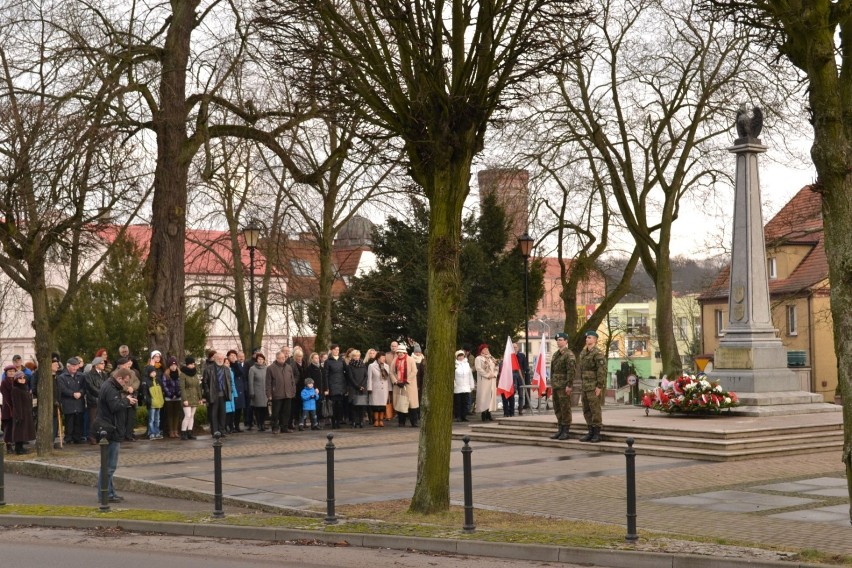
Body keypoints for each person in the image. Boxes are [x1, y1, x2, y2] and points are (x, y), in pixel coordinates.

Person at [93, 367, 137, 503]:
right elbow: (114, 407)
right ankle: (104, 494)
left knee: (108, 466)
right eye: (125, 382)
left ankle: (109, 493)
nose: (126, 385)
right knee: (109, 466)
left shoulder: (110, 386)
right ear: (119, 378)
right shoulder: (111, 388)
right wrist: (127, 401)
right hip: (111, 430)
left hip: (110, 428)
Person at [577, 329, 607, 443]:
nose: (587, 339)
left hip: (593, 386)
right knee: (586, 409)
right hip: (585, 386)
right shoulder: (583, 353)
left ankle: (597, 432)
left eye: (589, 337)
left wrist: (599, 386)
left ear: (595, 340)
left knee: (595, 409)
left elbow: (601, 370)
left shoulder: (598, 353)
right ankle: (590, 430)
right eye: (586, 337)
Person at [549, 332, 577, 440]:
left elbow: (571, 371)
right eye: (557, 340)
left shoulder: (569, 354)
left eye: (561, 340)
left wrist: (569, 385)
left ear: (566, 341)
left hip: (564, 386)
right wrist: (552, 383)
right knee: (557, 408)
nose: (558, 341)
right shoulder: (556, 354)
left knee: (565, 408)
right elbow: (552, 371)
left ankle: (566, 430)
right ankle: (560, 429)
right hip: (556, 385)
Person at [202, 351, 231, 437]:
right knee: (213, 414)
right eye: (218, 358)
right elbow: (205, 383)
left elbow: (229, 381)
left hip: (223, 394)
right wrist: (207, 393)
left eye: (221, 358)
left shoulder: (226, 369)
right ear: (214, 359)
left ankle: (222, 430)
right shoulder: (208, 369)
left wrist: (230, 391)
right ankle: (215, 431)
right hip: (213, 395)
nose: (220, 360)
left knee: (222, 414)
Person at [266, 350, 295, 433]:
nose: (283, 359)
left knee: (286, 412)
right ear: (277, 358)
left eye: (284, 358)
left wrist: (293, 391)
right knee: (276, 412)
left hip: (288, 393)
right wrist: (269, 394)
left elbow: (292, 380)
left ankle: (284, 427)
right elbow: (268, 383)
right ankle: (275, 427)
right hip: (277, 394)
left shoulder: (288, 367)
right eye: (281, 358)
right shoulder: (270, 368)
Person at [57, 357, 85, 444]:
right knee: (69, 421)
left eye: (76, 366)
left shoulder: (81, 376)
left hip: (79, 401)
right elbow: (63, 389)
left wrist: (81, 393)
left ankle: (77, 437)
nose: (75, 368)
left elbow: (84, 387)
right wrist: (72, 394)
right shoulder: (62, 377)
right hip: (68, 402)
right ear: (68, 367)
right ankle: (68, 438)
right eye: (73, 366)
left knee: (78, 420)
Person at [389, 344, 419, 427]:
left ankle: (414, 422)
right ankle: (401, 422)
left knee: (412, 404)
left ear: (405, 352)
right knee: (400, 403)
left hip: (409, 385)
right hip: (398, 386)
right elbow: (391, 372)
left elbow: (414, 371)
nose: (400, 354)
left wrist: (406, 381)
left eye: (401, 352)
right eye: (398, 352)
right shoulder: (395, 360)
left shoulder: (411, 360)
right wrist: (396, 381)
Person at [83, 357, 108, 445]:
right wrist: (101, 394)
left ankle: (100, 436)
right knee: (93, 420)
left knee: (102, 420)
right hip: (94, 400)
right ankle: (92, 437)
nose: (103, 365)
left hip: (103, 400)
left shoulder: (104, 374)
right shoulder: (89, 375)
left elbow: (107, 385)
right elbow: (91, 387)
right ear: (96, 365)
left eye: (104, 363)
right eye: (101, 363)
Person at [322, 344, 348, 429]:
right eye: (335, 349)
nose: (337, 351)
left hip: (341, 385)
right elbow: (325, 375)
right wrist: (326, 388)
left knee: (340, 405)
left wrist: (346, 386)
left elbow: (346, 372)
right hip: (332, 386)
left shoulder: (341, 360)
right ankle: (333, 422)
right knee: (333, 405)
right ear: (332, 350)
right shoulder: (328, 361)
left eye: (338, 349)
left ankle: (338, 421)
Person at [10, 371, 35, 454]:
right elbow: (17, 403)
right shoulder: (15, 389)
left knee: (23, 431)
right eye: (20, 378)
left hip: (26, 412)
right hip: (20, 413)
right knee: (19, 431)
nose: (22, 379)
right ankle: (18, 449)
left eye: (23, 377)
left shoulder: (24, 387)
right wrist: (19, 416)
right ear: (16, 379)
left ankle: (21, 447)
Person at [179, 356, 202, 440]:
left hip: (195, 396)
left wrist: (200, 398)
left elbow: (198, 386)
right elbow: (182, 388)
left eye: (193, 364)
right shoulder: (183, 374)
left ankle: (190, 432)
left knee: (192, 415)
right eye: (191, 364)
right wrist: (184, 399)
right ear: (187, 364)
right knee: (187, 415)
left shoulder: (195, 374)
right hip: (187, 397)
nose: (193, 365)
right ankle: (183, 432)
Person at [474, 344, 497, 422]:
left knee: (490, 396)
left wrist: (494, 374)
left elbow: (496, 367)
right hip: (484, 380)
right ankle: (483, 413)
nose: (486, 350)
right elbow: (478, 368)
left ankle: (489, 413)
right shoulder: (478, 358)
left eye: (487, 349)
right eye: (484, 349)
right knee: (484, 396)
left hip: (492, 380)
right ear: (481, 350)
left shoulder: (491, 358)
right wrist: (487, 375)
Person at [367, 351, 390, 427]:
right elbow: (369, 378)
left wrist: (389, 389)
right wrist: (369, 388)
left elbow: (388, 379)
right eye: (382, 357)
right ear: (378, 358)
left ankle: (381, 420)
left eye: (384, 357)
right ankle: (376, 420)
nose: (384, 359)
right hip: (375, 388)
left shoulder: (386, 366)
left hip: (384, 388)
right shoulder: (371, 366)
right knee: (376, 406)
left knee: (383, 406)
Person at [346, 349, 369, 428]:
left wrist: (362, 386)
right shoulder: (349, 366)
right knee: (354, 406)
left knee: (361, 406)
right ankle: (354, 422)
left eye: (358, 356)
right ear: (352, 356)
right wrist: (358, 386)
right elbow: (350, 378)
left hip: (363, 388)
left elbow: (366, 376)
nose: (357, 357)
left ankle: (361, 421)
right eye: (355, 356)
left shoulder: (363, 365)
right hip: (354, 388)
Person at [247, 353, 269, 431]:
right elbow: (250, 382)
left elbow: (268, 380)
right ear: (256, 360)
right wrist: (252, 392)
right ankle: (259, 424)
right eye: (259, 359)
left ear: (264, 360)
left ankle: (263, 423)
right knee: (258, 409)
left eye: (262, 359)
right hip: (257, 392)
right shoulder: (252, 369)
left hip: (265, 392)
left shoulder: (266, 368)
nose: (260, 360)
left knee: (264, 409)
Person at [162, 357, 183, 438]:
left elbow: (181, 385)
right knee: (170, 415)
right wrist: (170, 394)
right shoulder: (166, 374)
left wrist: (178, 393)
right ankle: (171, 431)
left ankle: (175, 430)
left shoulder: (180, 374)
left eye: (175, 365)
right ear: (169, 366)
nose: (173, 367)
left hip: (178, 397)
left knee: (176, 414)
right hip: (169, 397)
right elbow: (164, 385)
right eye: (172, 365)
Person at [453, 350, 474, 422]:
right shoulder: (455, 365)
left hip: (466, 386)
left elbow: (470, 375)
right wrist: (454, 384)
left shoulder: (467, 364)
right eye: (459, 356)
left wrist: (471, 385)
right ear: (457, 357)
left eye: (462, 355)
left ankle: (464, 416)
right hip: (458, 387)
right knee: (458, 403)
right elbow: (452, 376)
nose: (461, 357)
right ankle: (458, 416)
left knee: (465, 402)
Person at [1, 365, 15, 453]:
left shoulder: (16, 381)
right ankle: (8, 446)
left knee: (13, 427)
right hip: (8, 408)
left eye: (13, 371)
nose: (11, 373)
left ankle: (14, 444)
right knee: (8, 428)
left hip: (15, 408)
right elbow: (6, 397)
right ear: (6, 372)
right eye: (10, 371)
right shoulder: (4, 382)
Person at [147, 371, 164, 440]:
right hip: (152, 403)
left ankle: (157, 432)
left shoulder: (158, 381)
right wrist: (149, 401)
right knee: (152, 419)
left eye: (154, 372)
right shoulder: (147, 382)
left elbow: (161, 391)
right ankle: (151, 433)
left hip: (158, 403)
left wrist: (161, 400)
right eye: (151, 372)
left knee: (157, 419)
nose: (153, 373)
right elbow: (146, 393)